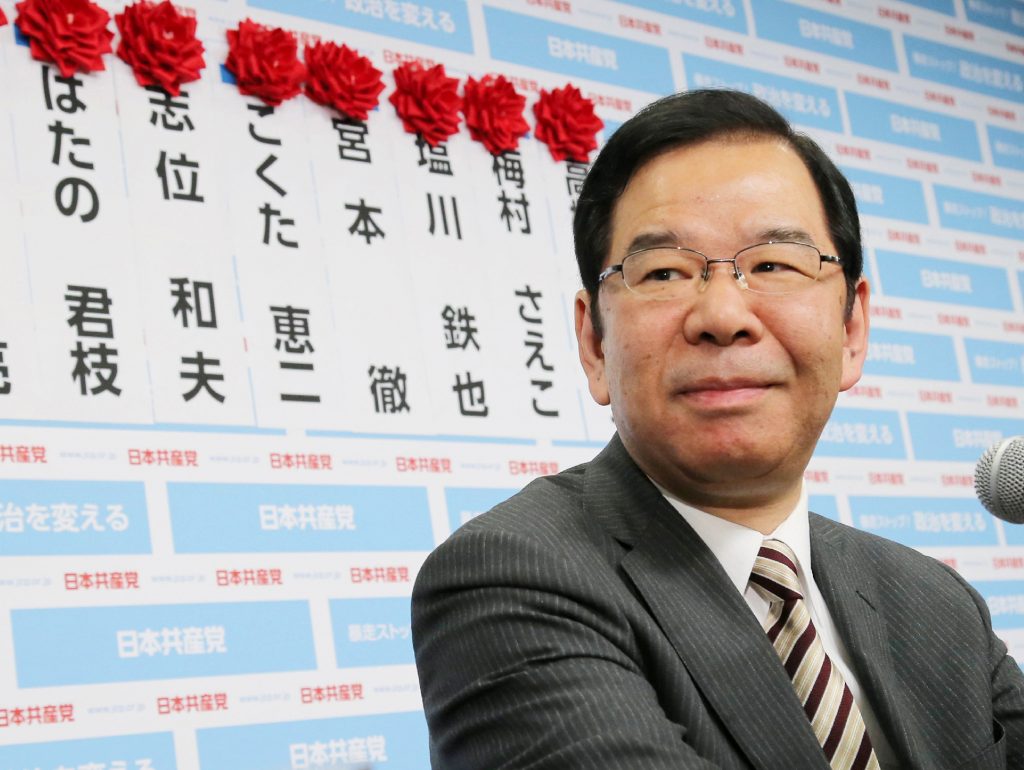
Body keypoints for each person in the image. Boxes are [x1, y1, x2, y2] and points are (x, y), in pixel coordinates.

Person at [411, 89, 1024, 769]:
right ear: (593, 346)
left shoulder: (935, 603)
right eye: (664, 271)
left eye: (773, 265)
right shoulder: (511, 576)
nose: (723, 313)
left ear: (852, 329)